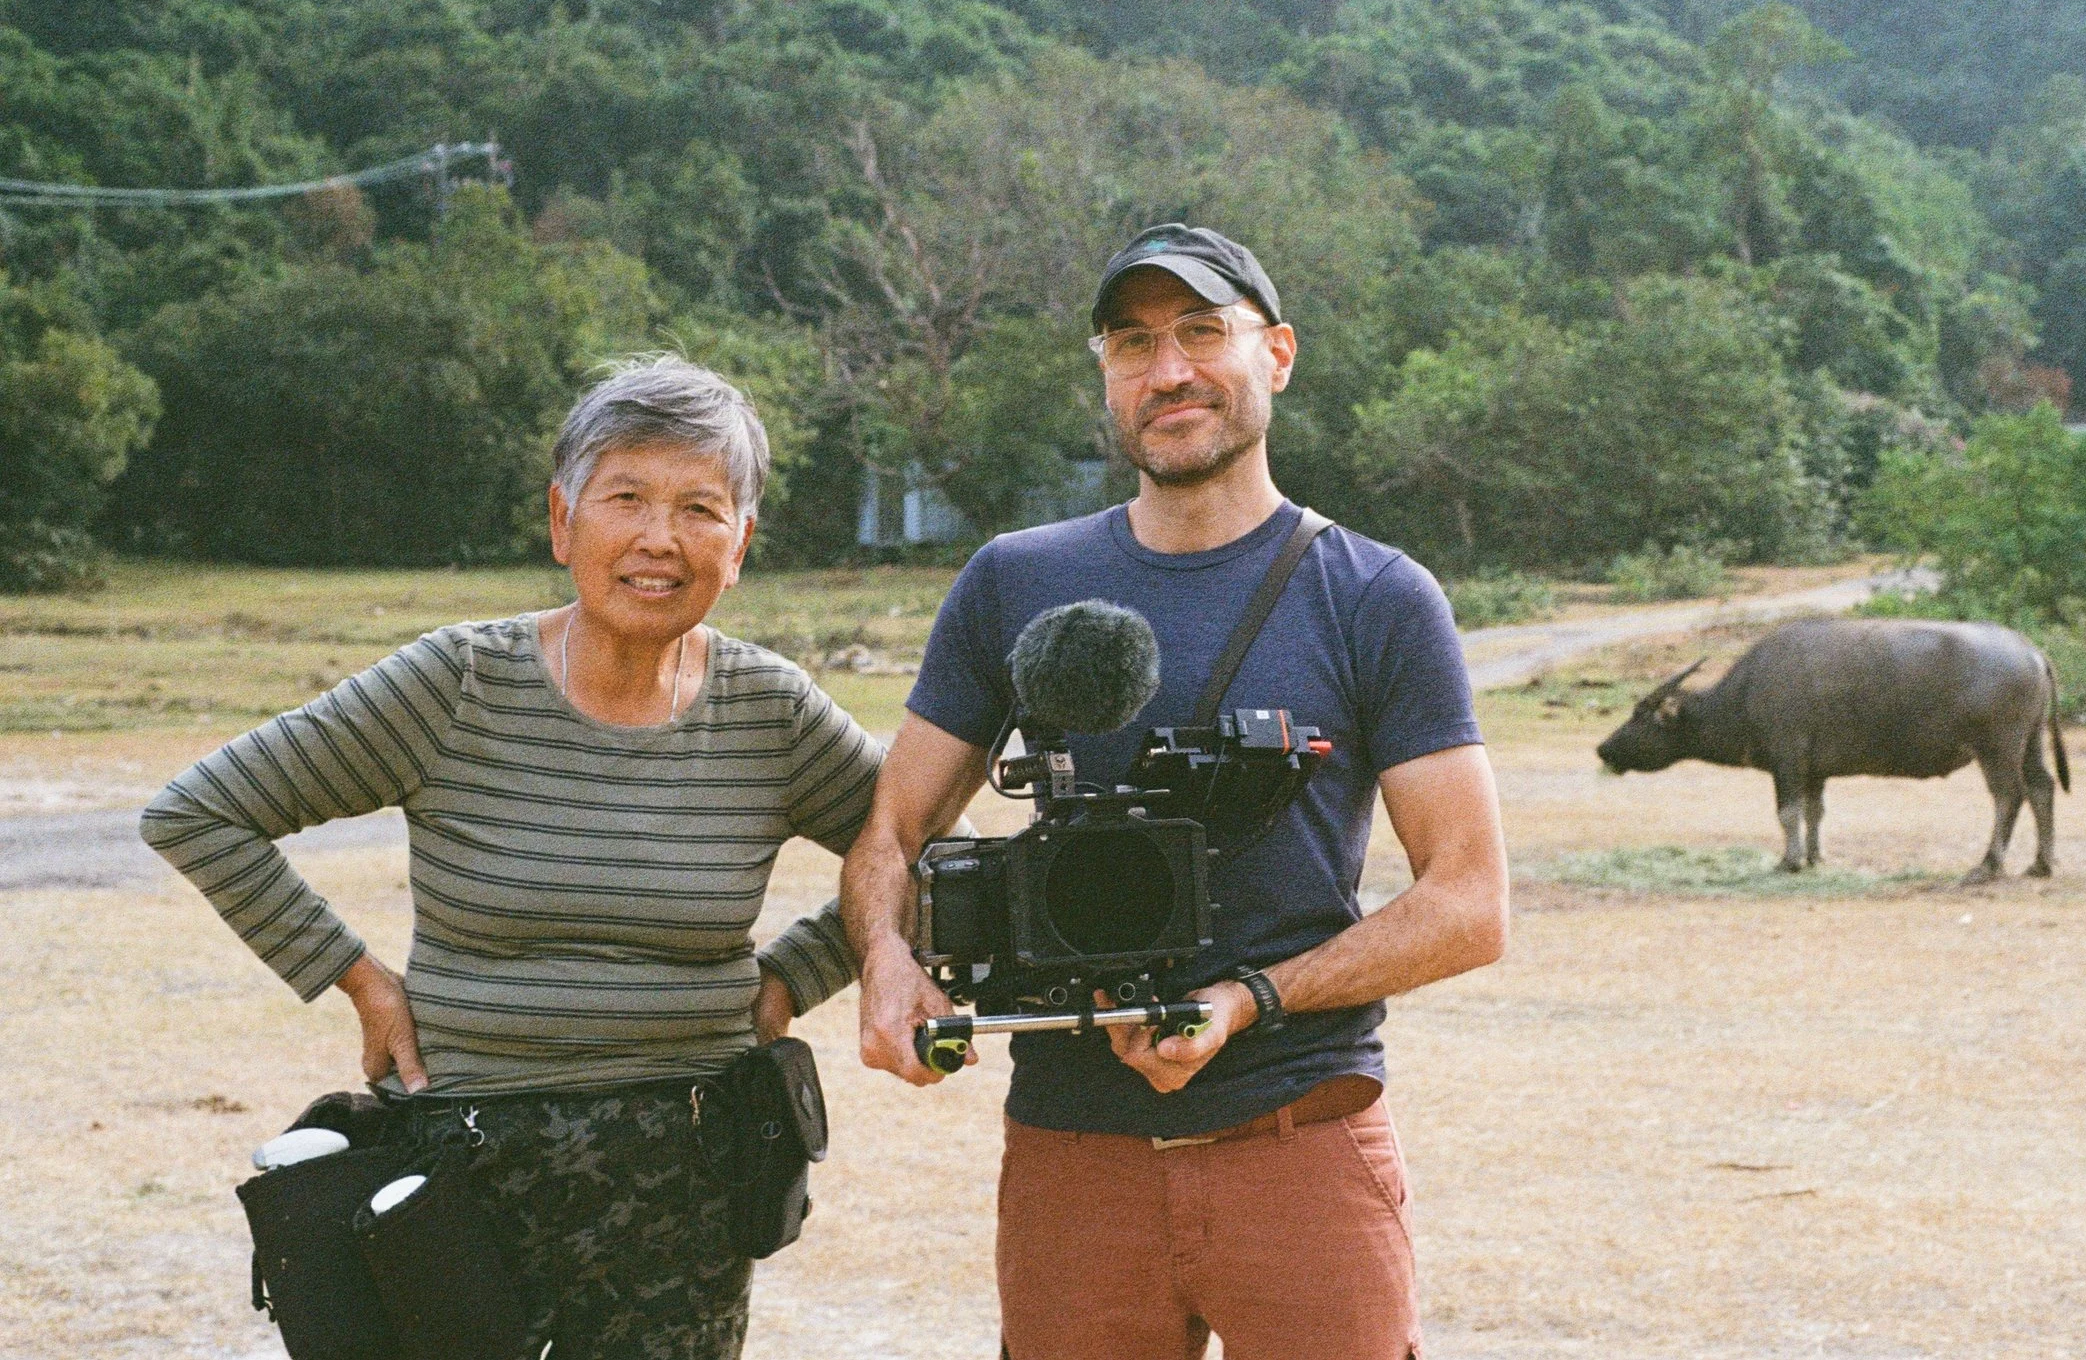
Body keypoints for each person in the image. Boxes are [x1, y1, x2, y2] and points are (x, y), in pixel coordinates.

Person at [842, 224, 1510, 1360]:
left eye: (1203, 332)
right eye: (1133, 342)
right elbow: (890, 834)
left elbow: (1470, 901)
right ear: (1104, 371)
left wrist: (1247, 997)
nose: (1169, 371)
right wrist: (887, 962)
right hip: (1071, 1152)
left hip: (1298, 1135)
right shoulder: (1013, 579)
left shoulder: (1376, 595)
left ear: (1278, 353)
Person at [142, 355, 879, 1359]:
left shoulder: (773, 710)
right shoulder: (457, 682)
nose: (660, 538)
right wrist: (356, 978)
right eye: (626, 496)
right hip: (463, 1172)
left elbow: (916, 851)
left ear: (740, 542)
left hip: (691, 1181)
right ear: (562, 520)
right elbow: (201, 812)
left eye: (700, 507)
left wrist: (796, 976)